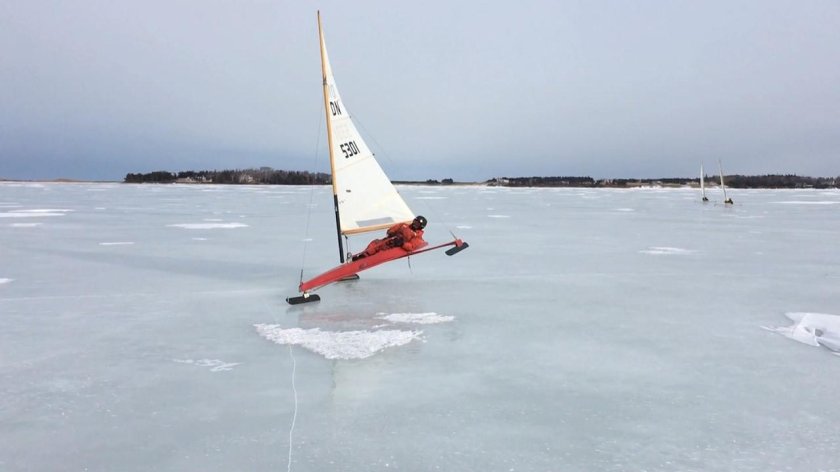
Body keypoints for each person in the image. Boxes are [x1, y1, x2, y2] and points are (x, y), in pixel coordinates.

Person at [351, 215, 427, 261]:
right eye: (415, 222)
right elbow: (392, 229)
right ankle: (363, 255)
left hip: (396, 246)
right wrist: (391, 232)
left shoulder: (417, 236)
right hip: (389, 240)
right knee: (375, 243)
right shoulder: (404, 225)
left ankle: (368, 259)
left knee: (381, 250)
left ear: (421, 226)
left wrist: (402, 243)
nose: (415, 224)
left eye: (417, 224)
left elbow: (411, 247)